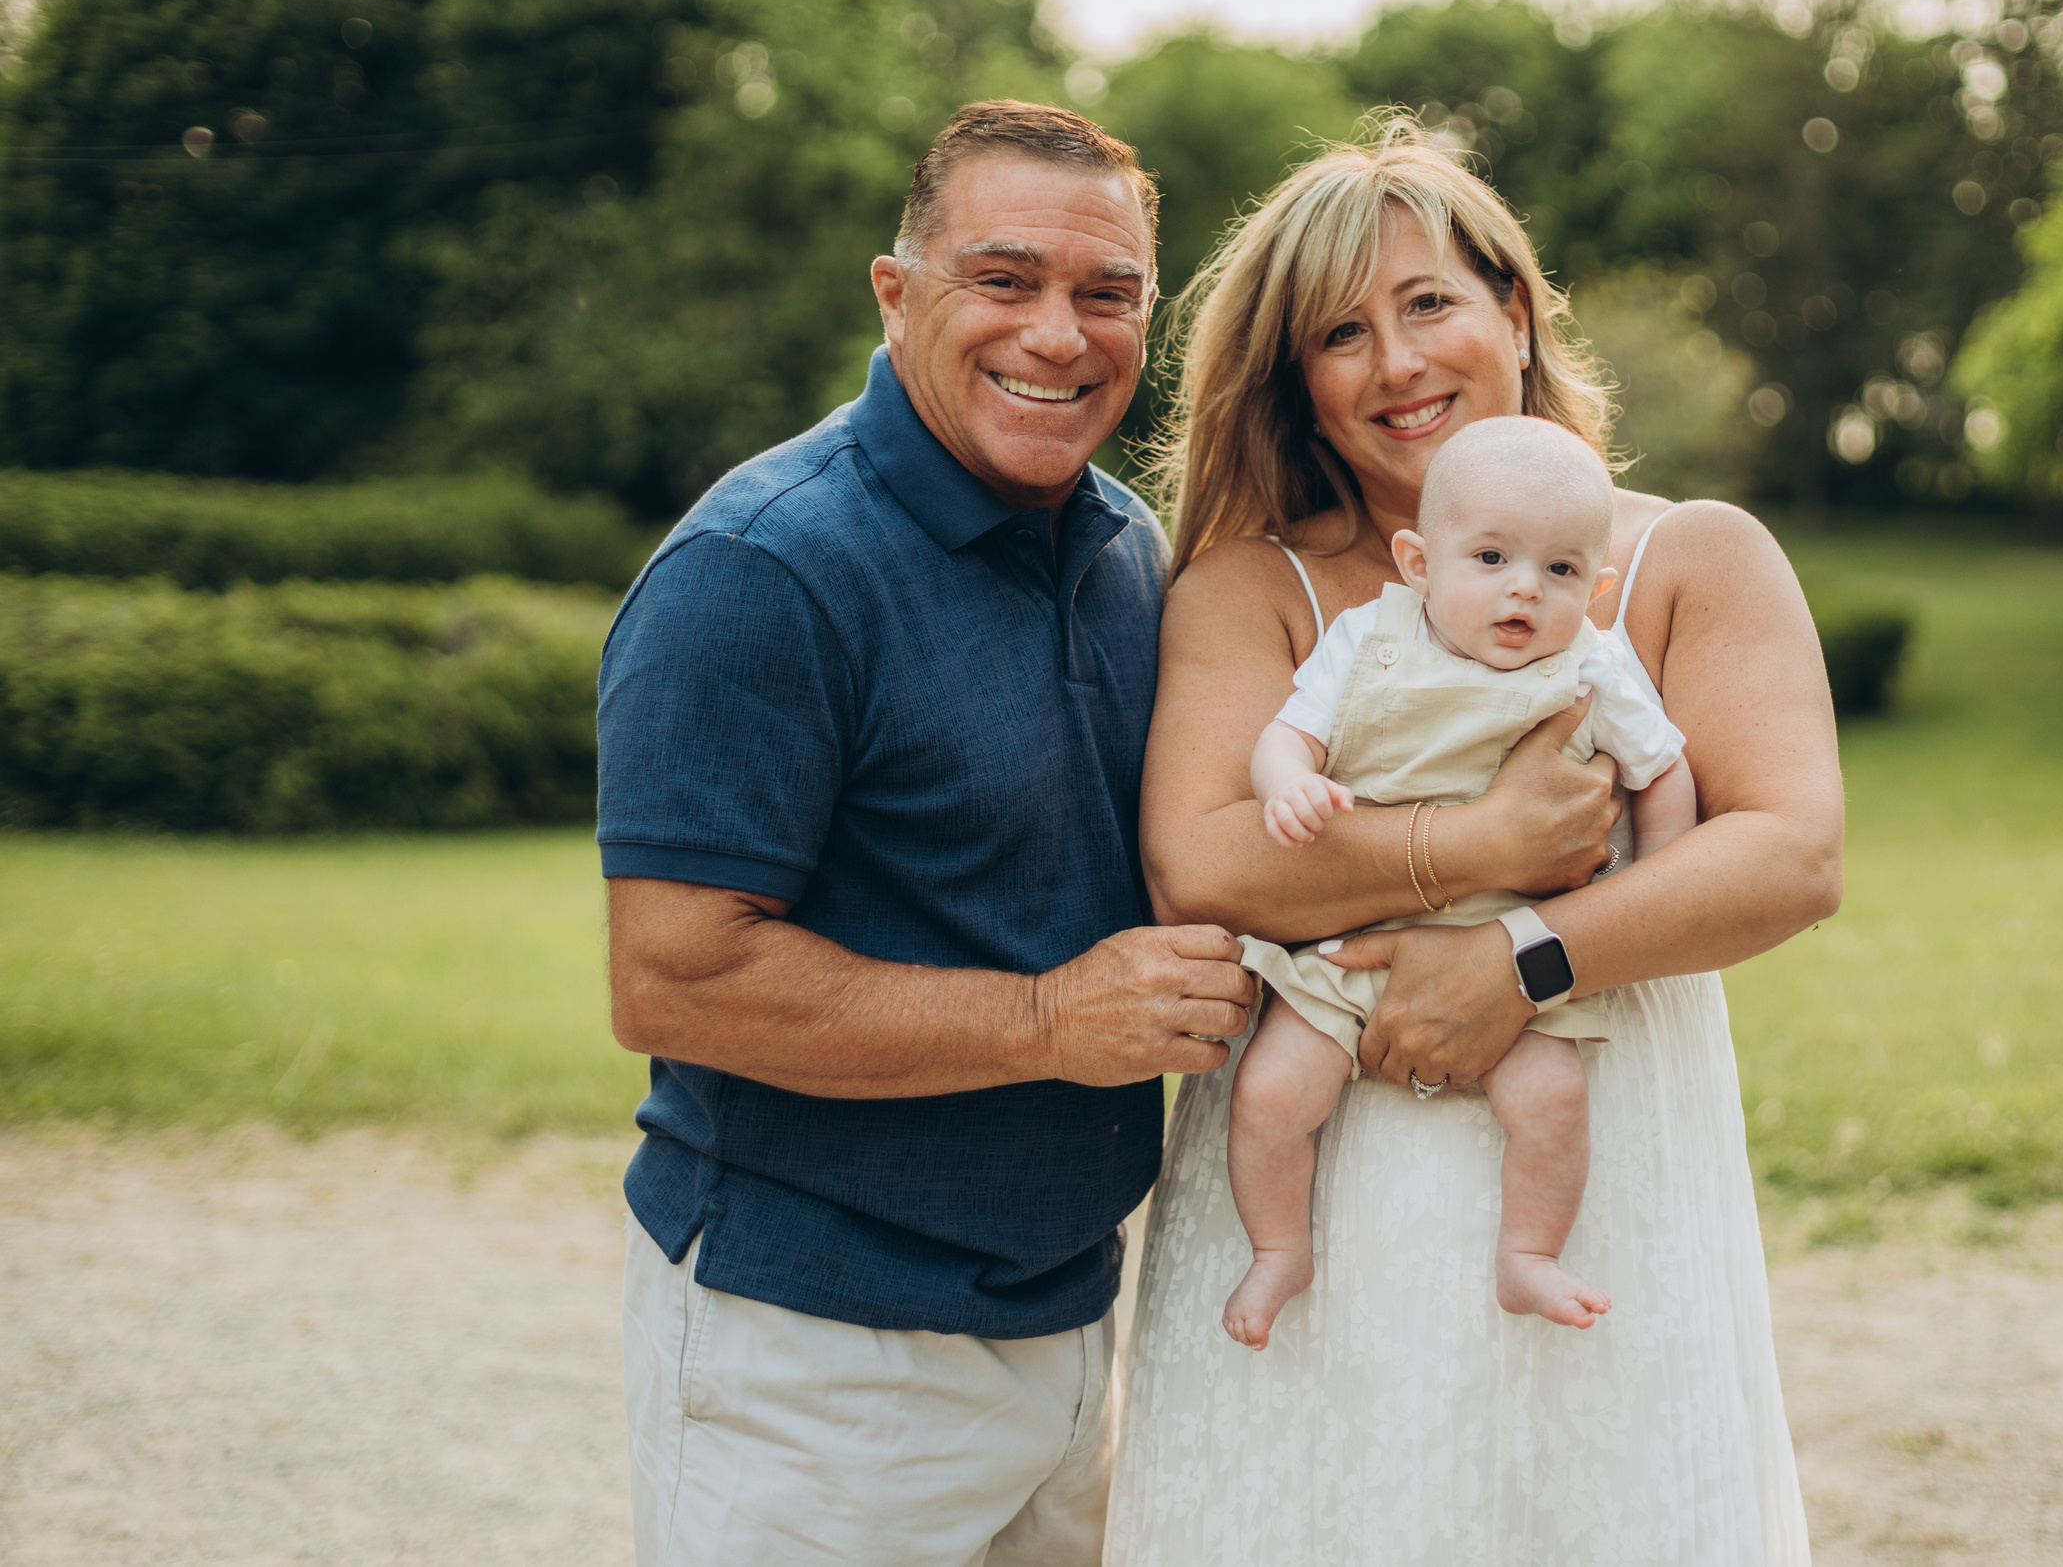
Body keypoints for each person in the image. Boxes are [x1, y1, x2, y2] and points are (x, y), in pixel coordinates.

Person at [1107, 120, 1841, 1565]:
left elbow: (1788, 855)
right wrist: (1481, 840)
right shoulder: (1253, 589)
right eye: (1340, 332)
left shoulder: (1691, 558)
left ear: (1513, 307)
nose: (1395, 361)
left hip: (1598, 1141)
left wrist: (1526, 956)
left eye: (1428, 301)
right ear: (1299, 386)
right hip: (1325, 1170)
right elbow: (1202, 858)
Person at [597, 101, 1254, 1567]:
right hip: (814, 1352)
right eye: (1002, 279)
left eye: (1108, 294)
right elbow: (675, 978)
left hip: (1074, 1316)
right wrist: (1049, 1015)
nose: (1059, 333)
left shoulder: (1131, 552)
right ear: (896, 294)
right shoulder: (759, 569)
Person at [1223, 415, 1697, 1349]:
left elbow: (1663, 768)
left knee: (1551, 1100)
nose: (1525, 586)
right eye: (1490, 557)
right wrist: (1289, 788)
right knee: (1273, 1093)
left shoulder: (1594, 664)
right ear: (1417, 561)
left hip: (1516, 941)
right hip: (1353, 922)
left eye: (1561, 571)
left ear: (1595, 589)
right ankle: (1279, 1248)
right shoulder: (1367, 638)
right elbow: (1288, 735)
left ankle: (1528, 1254)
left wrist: (1659, 877)